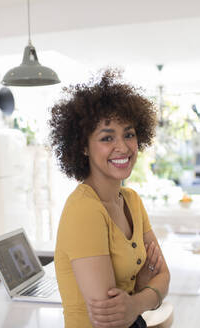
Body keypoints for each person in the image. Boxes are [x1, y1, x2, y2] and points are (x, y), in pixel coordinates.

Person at [49, 69, 170, 328]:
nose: (123, 147)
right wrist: (146, 292)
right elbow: (110, 318)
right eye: (107, 137)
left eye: (129, 134)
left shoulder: (132, 201)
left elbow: (163, 277)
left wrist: (135, 303)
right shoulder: (84, 209)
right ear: (83, 146)